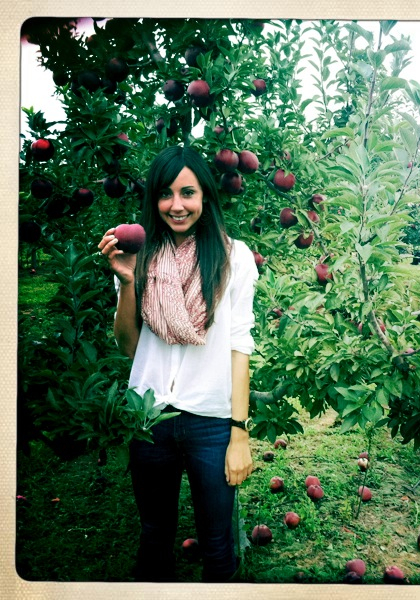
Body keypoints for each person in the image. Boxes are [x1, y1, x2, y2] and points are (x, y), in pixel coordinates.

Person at [98, 145, 258, 582]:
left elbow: (239, 346)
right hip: (148, 418)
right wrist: (127, 281)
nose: (176, 205)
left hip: (211, 423)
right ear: (154, 200)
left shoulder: (234, 257)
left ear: (205, 196)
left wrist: (239, 434)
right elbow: (130, 345)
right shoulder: (141, 255)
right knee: (153, 538)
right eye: (165, 194)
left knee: (217, 545)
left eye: (187, 192)